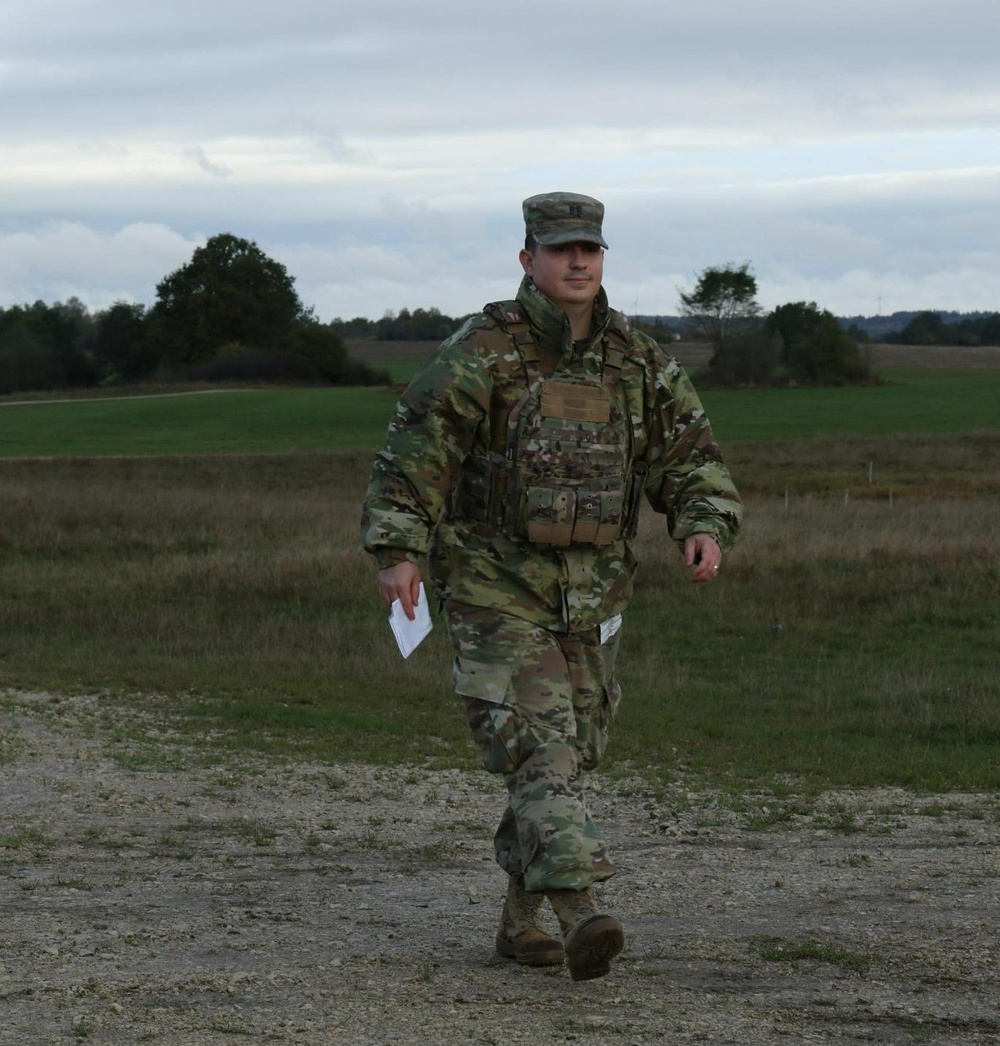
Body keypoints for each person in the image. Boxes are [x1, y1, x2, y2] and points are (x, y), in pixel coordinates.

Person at [360, 192, 742, 981]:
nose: (578, 263)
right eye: (562, 249)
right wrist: (397, 549)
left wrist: (703, 521)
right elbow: (415, 454)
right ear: (528, 257)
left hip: (594, 597)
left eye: (591, 251)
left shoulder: (636, 360)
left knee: (567, 760)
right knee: (538, 749)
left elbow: (690, 455)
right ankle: (580, 911)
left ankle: (516, 921)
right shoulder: (484, 350)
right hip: (494, 588)